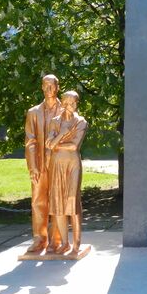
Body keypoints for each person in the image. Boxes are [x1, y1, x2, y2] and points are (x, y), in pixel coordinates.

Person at [24, 74, 63, 253]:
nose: (48, 89)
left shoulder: (66, 111)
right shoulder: (33, 112)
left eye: (52, 85)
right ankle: (39, 239)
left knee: (57, 202)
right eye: (45, 85)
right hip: (39, 164)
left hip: (59, 165)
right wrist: (32, 166)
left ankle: (56, 240)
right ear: (41, 87)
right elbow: (30, 141)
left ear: (58, 87)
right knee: (37, 201)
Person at [45, 91, 87, 254]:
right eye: (69, 102)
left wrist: (56, 144)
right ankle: (64, 243)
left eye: (75, 102)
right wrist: (62, 135)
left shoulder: (80, 122)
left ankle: (76, 243)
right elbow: (49, 144)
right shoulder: (55, 121)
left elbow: (74, 146)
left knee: (72, 200)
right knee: (58, 203)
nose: (73, 105)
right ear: (63, 103)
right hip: (57, 164)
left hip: (72, 164)